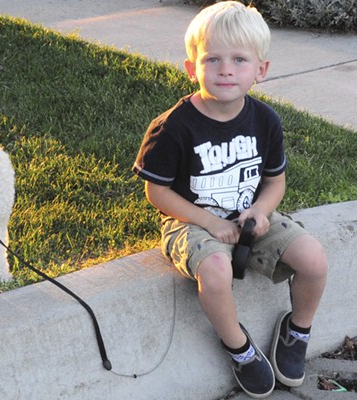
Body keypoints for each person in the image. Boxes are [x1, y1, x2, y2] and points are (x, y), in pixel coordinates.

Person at [132, 1, 328, 398]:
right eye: (213, 59)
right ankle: (238, 347)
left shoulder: (265, 120)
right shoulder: (174, 126)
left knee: (314, 259)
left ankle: (297, 331)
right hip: (188, 221)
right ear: (192, 68)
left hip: (250, 217)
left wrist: (261, 210)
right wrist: (210, 223)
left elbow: (275, 181)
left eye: (239, 59)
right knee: (218, 271)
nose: (225, 69)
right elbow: (157, 191)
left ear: (261, 70)